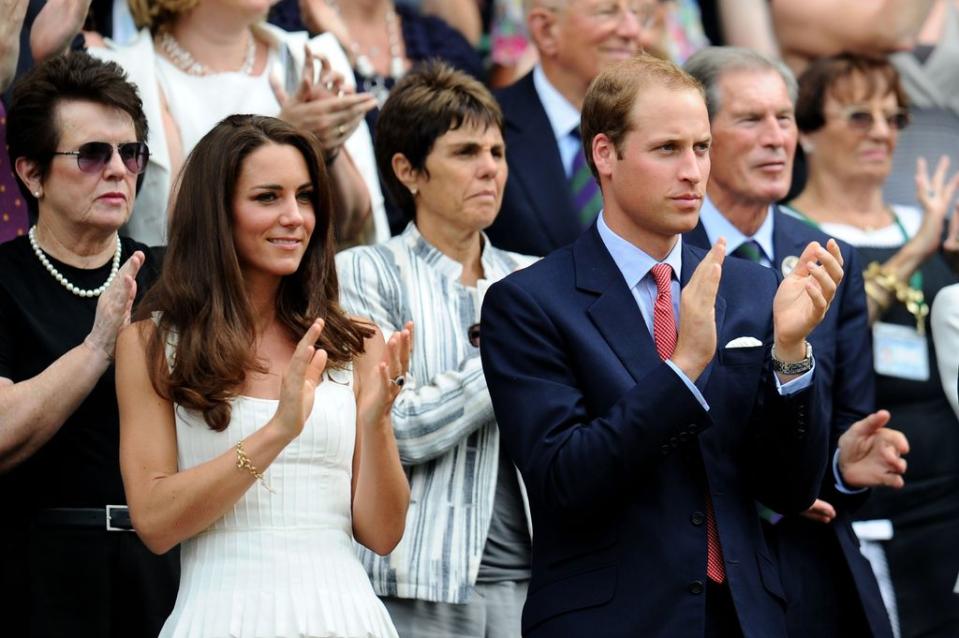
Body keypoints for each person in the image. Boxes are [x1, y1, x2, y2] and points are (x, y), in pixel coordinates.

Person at [480, 53, 846, 637]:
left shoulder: (750, 287)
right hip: (612, 622)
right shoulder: (528, 302)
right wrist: (682, 369)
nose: (693, 171)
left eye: (701, 148)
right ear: (605, 154)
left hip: (746, 618)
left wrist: (792, 355)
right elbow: (564, 482)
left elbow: (791, 487)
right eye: (667, 149)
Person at [115, 114, 411, 636]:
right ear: (217, 212)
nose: (295, 216)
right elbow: (156, 524)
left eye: (305, 196)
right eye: (268, 197)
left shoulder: (357, 341)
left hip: (345, 617)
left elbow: (383, 535)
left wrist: (377, 423)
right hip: (219, 615)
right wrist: (279, 430)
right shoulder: (151, 342)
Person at [683, 46, 907, 638]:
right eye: (751, 119)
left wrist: (840, 466)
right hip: (698, 564)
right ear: (700, 139)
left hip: (806, 563)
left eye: (785, 118)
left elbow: (847, 420)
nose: (776, 137)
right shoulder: (666, 254)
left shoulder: (831, 257)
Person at [336, 62, 537, 637]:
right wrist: (509, 359)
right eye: (466, 152)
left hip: (536, 586)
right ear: (408, 170)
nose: (489, 170)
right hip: (409, 583)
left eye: (497, 153)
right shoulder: (363, 273)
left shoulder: (534, 277)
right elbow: (393, 432)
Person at [0, 51, 177, 637]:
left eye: (131, 154)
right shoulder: (4, 280)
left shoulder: (174, 279)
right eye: (92, 155)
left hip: (165, 572)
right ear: (30, 173)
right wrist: (98, 347)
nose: (119, 170)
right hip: (38, 575)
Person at [786, 53, 959, 638]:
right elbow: (823, 345)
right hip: (861, 501)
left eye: (895, 117)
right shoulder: (788, 236)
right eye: (861, 116)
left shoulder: (928, 224)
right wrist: (916, 256)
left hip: (947, 493)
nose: (883, 132)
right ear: (805, 130)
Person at [91, 0, 387, 246]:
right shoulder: (130, 72)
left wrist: (328, 152)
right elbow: (171, 233)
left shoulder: (313, 57)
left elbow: (355, 229)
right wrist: (279, 136)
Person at [486, 0, 655, 256]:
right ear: (545, 30)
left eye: (635, 12)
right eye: (607, 12)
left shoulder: (660, 125)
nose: (631, 30)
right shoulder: (486, 126)